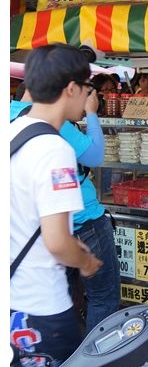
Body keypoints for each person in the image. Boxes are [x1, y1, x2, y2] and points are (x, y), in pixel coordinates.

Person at [10, 44, 102, 367]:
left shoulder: (12, 131)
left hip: (13, 299)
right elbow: (57, 241)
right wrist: (85, 262)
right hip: (42, 305)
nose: (89, 95)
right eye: (87, 87)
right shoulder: (54, 150)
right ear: (71, 88)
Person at [11, 81, 121, 342]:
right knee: (103, 295)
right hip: (82, 220)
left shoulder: (10, 116)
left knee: (64, 293)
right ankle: (96, 366)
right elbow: (94, 155)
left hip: (29, 228)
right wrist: (92, 113)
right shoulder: (50, 128)